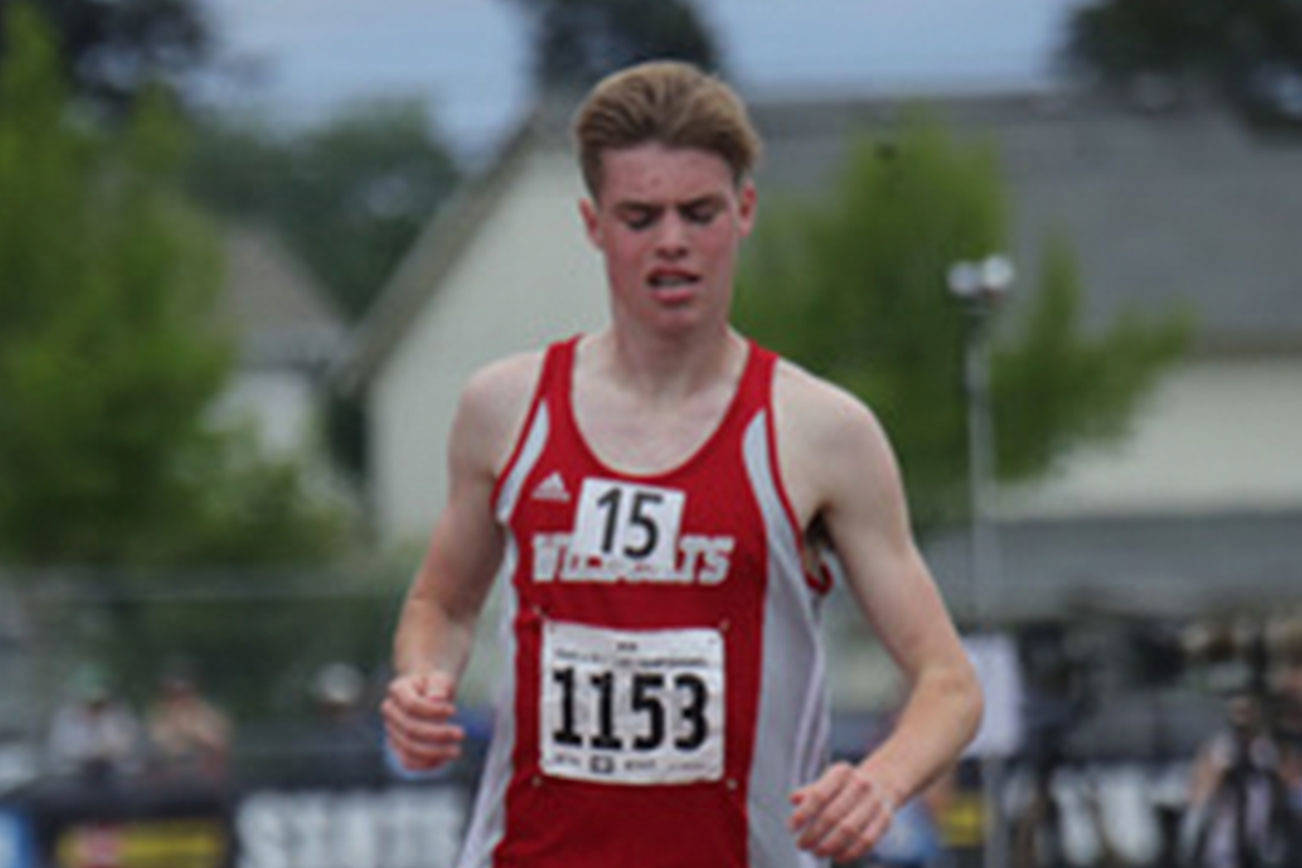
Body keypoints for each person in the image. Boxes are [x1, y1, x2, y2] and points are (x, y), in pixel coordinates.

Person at [381, 60, 982, 867]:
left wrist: (881, 780)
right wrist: (423, 683)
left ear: (744, 212)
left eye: (698, 213)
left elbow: (949, 682)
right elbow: (444, 604)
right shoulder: (505, 407)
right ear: (595, 226)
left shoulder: (819, 431)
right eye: (640, 217)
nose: (672, 243)